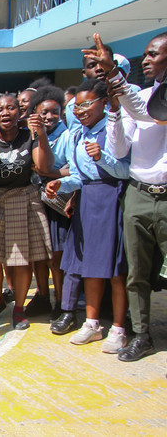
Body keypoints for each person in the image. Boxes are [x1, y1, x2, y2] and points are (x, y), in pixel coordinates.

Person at [87, 32, 167, 361]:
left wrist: (116, 78)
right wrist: (116, 113)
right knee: (136, 273)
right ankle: (142, 334)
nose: (145, 60)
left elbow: (150, 114)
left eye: (153, 54)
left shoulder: (150, 100)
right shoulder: (141, 94)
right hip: (138, 193)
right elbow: (119, 149)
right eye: (145, 54)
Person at [45, 78, 130, 353]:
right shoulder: (78, 135)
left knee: (116, 269)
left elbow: (125, 171)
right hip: (88, 200)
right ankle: (92, 324)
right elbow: (79, 177)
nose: (80, 111)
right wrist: (61, 185)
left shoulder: (114, 129)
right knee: (90, 266)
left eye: (86, 105)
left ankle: (118, 329)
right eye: (76, 106)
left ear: (104, 103)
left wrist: (101, 157)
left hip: (112, 198)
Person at [0, 94, 54, 330]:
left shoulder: (28, 137)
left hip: (24, 199)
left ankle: (19, 308)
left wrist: (41, 135)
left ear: (20, 112)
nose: (5, 113)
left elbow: (45, 167)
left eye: (10, 108)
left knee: (21, 259)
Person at [26, 85, 71, 322]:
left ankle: (62, 303)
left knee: (56, 257)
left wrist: (52, 172)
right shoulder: (30, 134)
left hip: (56, 203)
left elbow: (73, 169)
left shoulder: (68, 135)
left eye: (54, 112)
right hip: (35, 202)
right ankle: (43, 296)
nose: (49, 117)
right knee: (38, 256)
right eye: (44, 112)